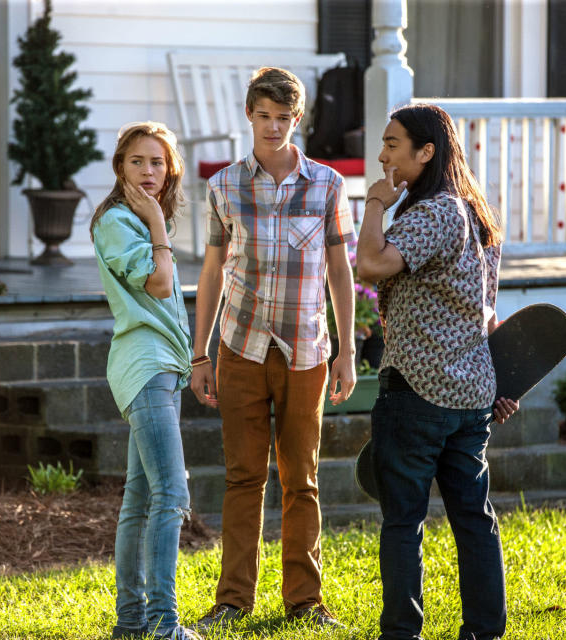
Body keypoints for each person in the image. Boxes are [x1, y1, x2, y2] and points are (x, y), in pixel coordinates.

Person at [190, 67, 357, 629]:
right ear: (249, 115)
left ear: (297, 119)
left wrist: (347, 351)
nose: (272, 126)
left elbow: (340, 270)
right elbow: (212, 272)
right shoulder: (223, 187)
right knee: (242, 477)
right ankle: (233, 600)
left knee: (301, 478)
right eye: (263, 115)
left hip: (306, 350)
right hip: (239, 347)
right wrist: (202, 352)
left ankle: (305, 601)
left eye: (283, 118)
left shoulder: (328, 185)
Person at [355, 103, 520, 640]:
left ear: (427, 152)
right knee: (474, 519)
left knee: (403, 522)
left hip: (417, 395)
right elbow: (485, 310)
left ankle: (401, 633)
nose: (382, 156)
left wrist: (375, 205)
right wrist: (499, 382)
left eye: (393, 145)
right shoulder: (475, 216)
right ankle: (484, 631)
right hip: (471, 396)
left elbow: (371, 264)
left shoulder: (434, 214)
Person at [90, 122, 201, 640]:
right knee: (172, 495)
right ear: (120, 167)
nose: (148, 171)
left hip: (163, 368)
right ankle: (163, 623)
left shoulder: (136, 222)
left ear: (170, 168)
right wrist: (157, 225)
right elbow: (158, 285)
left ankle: (131, 623)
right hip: (145, 367)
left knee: (139, 499)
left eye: (157, 162)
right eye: (137, 161)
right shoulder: (118, 221)